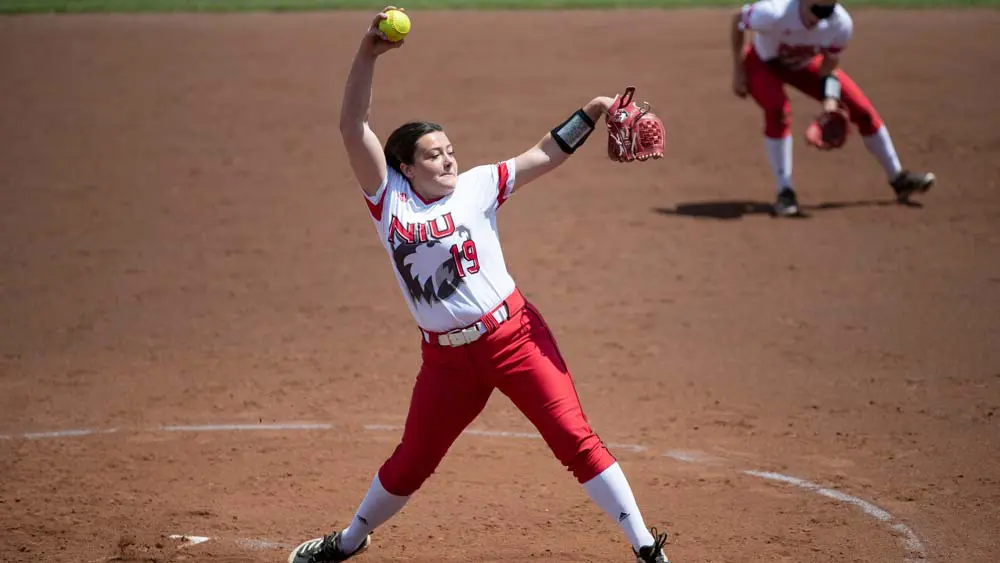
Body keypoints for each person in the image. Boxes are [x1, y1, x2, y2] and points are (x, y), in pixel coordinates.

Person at [288, 7, 670, 563]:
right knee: (411, 462)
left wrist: (594, 110)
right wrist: (368, 53)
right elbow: (352, 128)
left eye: (448, 149)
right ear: (405, 167)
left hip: (514, 339)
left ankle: (645, 549)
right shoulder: (387, 199)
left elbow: (545, 151)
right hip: (444, 363)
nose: (447, 158)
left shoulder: (478, 185)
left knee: (573, 438)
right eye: (433, 154)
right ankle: (347, 541)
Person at [730, 0, 936, 217]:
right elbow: (737, 20)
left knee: (862, 111)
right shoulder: (774, 12)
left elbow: (828, 67)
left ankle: (898, 178)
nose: (822, 17)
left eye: (828, 11)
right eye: (817, 10)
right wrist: (738, 70)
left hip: (804, 65)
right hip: (763, 64)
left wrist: (830, 105)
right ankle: (785, 191)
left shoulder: (840, 23)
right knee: (778, 111)